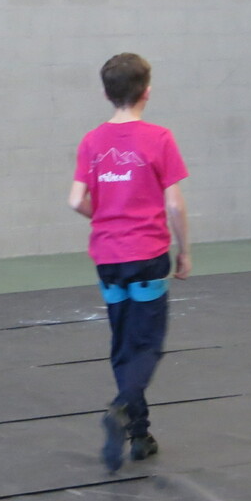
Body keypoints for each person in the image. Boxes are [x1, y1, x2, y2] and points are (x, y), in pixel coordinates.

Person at [69, 53, 190, 472]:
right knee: (147, 344)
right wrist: (185, 250)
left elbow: (75, 200)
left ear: (106, 94)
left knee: (123, 344)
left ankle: (140, 435)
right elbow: (174, 205)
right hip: (147, 254)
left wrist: (103, 216)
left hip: (108, 258)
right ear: (147, 92)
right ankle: (122, 407)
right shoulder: (159, 138)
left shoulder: (91, 141)